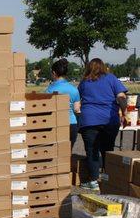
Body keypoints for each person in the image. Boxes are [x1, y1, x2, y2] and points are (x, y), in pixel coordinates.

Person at [77, 57, 128, 190]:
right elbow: (121, 97)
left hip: (89, 120)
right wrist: (125, 114)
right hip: (109, 120)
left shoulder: (84, 82)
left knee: (91, 151)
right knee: (108, 149)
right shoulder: (111, 78)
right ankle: (108, 178)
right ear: (103, 67)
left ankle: (94, 181)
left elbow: (77, 103)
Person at [45, 58, 81, 147]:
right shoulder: (74, 89)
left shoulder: (49, 89)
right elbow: (77, 109)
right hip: (71, 124)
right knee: (67, 154)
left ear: (54, 73)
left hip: (55, 124)